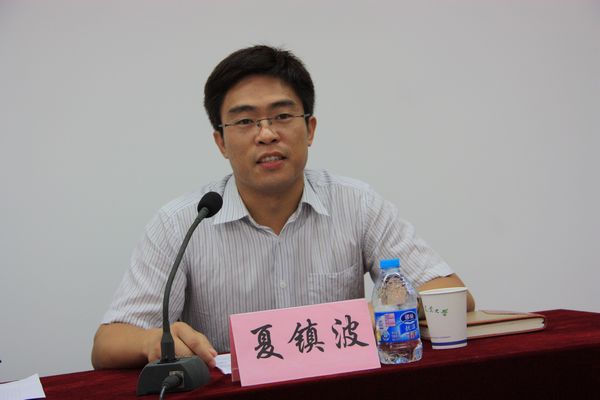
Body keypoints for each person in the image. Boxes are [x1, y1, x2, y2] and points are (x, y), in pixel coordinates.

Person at [91, 45, 475, 370]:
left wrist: (386, 310)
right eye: (245, 121)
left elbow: (454, 297)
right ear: (221, 142)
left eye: (282, 116)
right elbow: (107, 345)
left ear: (310, 129)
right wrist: (152, 341)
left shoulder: (357, 203)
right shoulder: (181, 223)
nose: (267, 134)